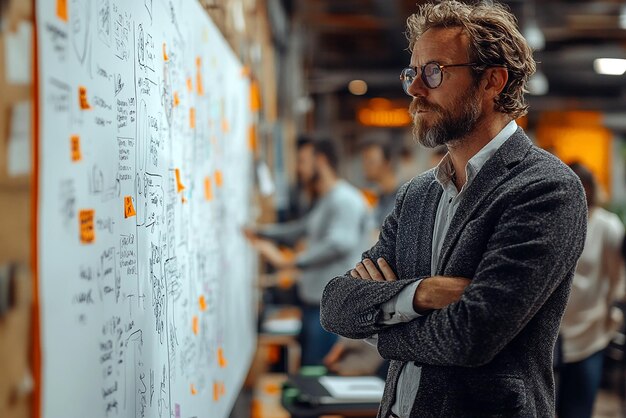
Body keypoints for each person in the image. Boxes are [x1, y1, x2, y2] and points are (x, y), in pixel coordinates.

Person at [320, 1, 587, 417]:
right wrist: (422, 293)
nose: (414, 89)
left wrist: (381, 325)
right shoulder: (417, 194)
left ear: (492, 81)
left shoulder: (545, 189)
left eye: (434, 72)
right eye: (413, 72)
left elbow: (473, 336)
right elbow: (336, 303)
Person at [244, 138, 371, 366]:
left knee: (318, 377)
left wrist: (291, 262)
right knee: (310, 373)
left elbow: (338, 243)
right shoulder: (327, 200)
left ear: (320, 160)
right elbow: (299, 229)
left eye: (303, 161)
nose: (299, 169)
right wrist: (260, 232)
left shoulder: (345, 199)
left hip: (333, 312)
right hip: (316, 308)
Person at [557, 163, 625, 418]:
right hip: (554, 331)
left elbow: (618, 277)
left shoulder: (607, 226)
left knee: (578, 408)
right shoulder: (556, 219)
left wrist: (613, 312)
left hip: (591, 330)